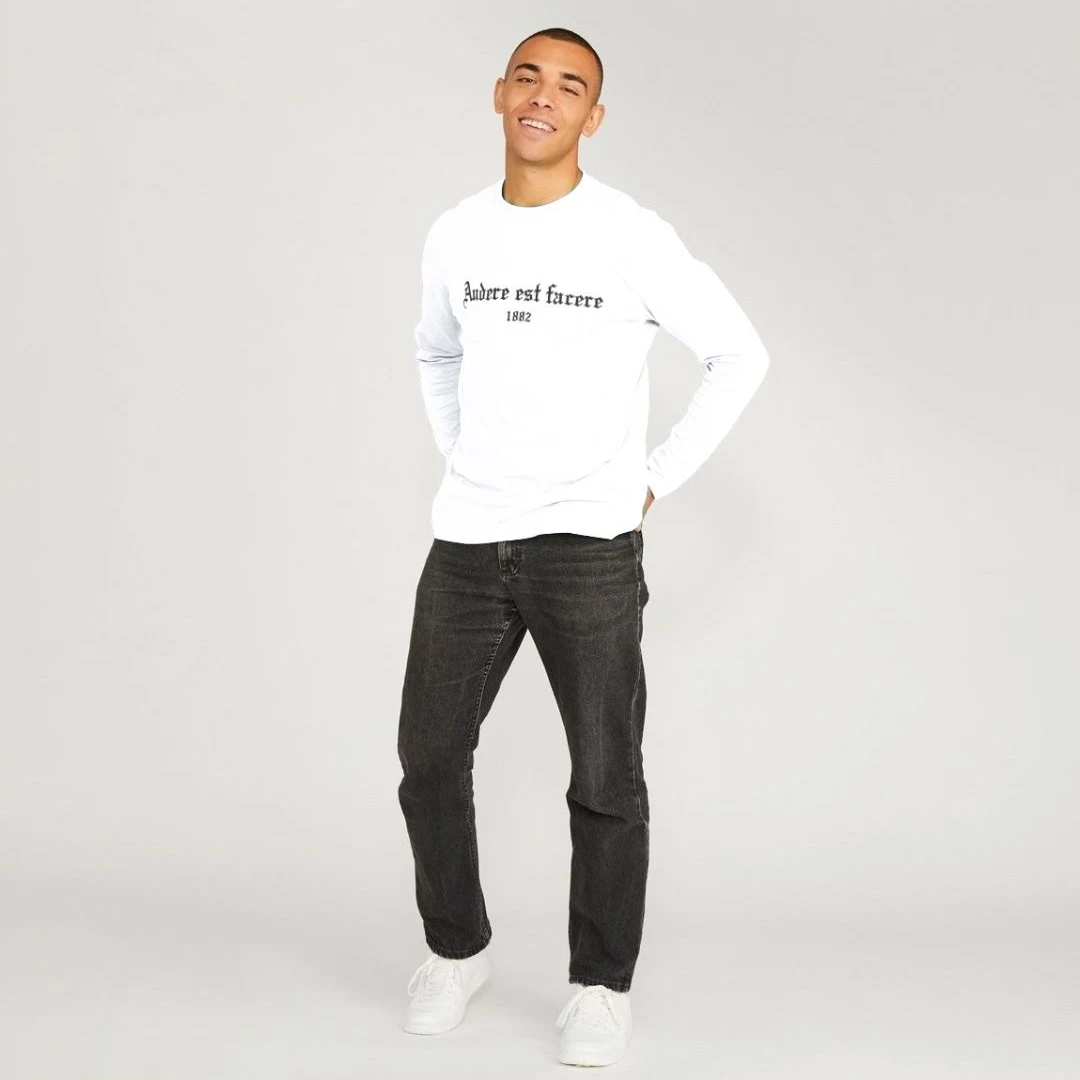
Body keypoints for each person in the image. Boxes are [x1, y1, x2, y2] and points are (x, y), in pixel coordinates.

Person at [396, 26, 770, 1068]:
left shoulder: (628, 234)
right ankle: (456, 950)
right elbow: (435, 353)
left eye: (569, 86)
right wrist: (466, 454)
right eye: (528, 77)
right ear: (499, 94)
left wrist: (654, 478)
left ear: (592, 117)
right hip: (469, 540)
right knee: (429, 759)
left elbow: (738, 354)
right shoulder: (456, 233)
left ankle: (600, 984)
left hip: (588, 546)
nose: (543, 96)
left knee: (606, 776)